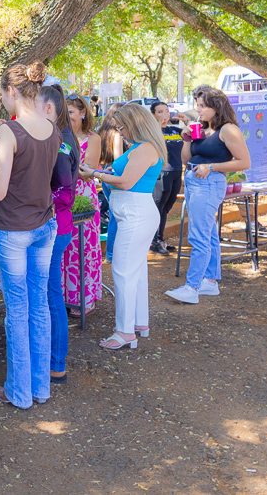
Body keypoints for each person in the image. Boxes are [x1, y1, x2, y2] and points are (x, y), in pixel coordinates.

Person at [0, 62, 60, 410]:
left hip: (13, 228)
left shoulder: (10, 131)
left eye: (2, 96)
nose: (2, 103)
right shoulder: (53, 129)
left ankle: (19, 392)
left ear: (11, 92)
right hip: (46, 224)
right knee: (39, 306)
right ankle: (40, 388)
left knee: (18, 310)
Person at [84, 105, 166, 349]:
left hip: (135, 214)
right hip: (134, 213)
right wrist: (101, 173)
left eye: (122, 126)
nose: (120, 131)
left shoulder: (145, 148)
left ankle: (124, 331)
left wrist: (95, 173)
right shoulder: (145, 147)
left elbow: (127, 182)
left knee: (122, 272)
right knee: (137, 270)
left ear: (135, 122)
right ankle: (139, 322)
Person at [167, 88, 251, 304]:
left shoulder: (228, 129)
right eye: (197, 104)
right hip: (194, 180)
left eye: (203, 105)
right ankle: (211, 281)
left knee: (198, 236)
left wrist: (211, 167)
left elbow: (244, 162)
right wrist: (187, 138)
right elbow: (187, 159)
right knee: (209, 233)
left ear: (217, 106)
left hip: (209, 183)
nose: (198, 109)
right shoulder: (202, 128)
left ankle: (192, 287)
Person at [37, 86, 79, 384]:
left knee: (52, 297)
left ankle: (56, 362)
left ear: (49, 109)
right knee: (51, 295)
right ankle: (53, 359)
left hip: (55, 226)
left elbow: (64, 191)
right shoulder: (58, 137)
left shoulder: (61, 142)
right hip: (55, 226)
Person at [62, 95, 102, 316]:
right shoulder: (60, 136)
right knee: (64, 247)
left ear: (83, 113)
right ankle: (64, 298)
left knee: (83, 248)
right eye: (65, 113)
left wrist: (61, 168)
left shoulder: (93, 138)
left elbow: (90, 170)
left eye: (71, 112)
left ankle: (84, 297)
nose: (67, 117)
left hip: (83, 197)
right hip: (61, 195)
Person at [150, 102, 184, 255]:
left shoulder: (175, 130)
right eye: (160, 111)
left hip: (177, 172)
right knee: (158, 207)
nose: (165, 114)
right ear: (153, 115)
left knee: (166, 208)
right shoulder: (153, 132)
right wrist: (156, 124)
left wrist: (186, 119)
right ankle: (153, 241)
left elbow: (194, 133)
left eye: (166, 110)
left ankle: (160, 239)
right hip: (162, 173)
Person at [98, 106, 125, 264]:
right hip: (113, 174)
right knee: (115, 216)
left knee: (113, 214)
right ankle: (111, 254)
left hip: (105, 173)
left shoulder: (102, 132)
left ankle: (111, 253)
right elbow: (118, 159)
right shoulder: (117, 135)